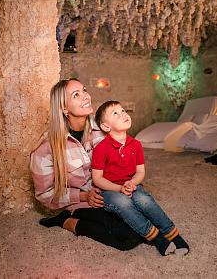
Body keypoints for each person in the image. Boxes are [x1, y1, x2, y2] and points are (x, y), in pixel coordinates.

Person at [30, 78, 142, 251]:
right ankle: (64, 220)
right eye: (76, 95)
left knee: (144, 222)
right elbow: (45, 194)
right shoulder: (46, 148)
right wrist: (83, 196)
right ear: (64, 108)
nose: (86, 97)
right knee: (128, 237)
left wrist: (127, 184)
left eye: (84, 90)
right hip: (81, 202)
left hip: (111, 193)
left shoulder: (104, 127)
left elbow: (126, 158)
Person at [92, 100, 190, 256]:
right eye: (115, 113)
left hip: (131, 184)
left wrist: (132, 183)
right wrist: (119, 188)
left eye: (123, 110)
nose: (123, 113)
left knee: (144, 200)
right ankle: (156, 237)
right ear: (105, 127)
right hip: (110, 190)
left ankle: (172, 234)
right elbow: (97, 179)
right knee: (122, 202)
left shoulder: (136, 144)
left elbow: (140, 173)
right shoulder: (101, 148)